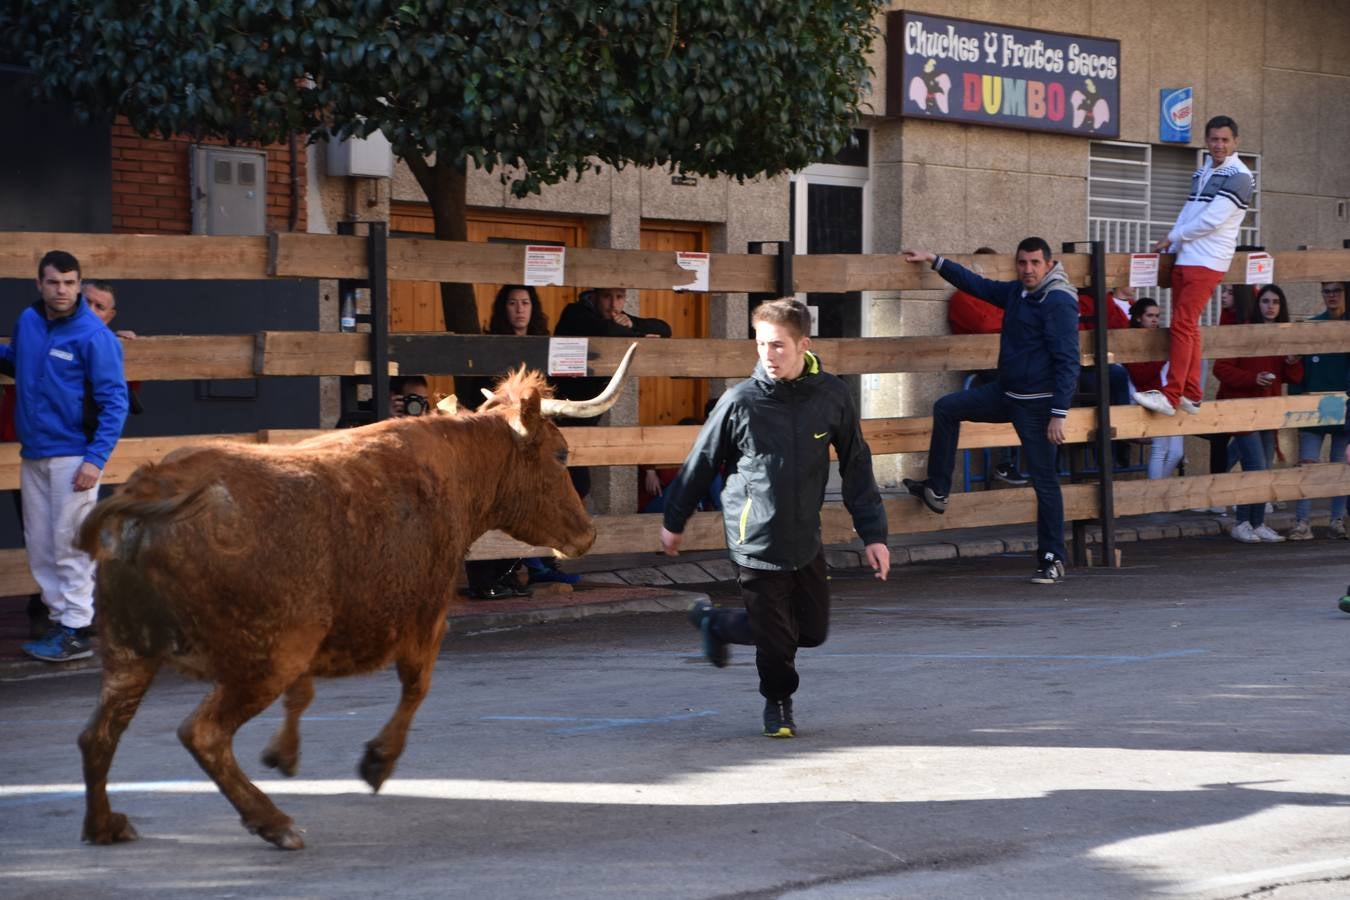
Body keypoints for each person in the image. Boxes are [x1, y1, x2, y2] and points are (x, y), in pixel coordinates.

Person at [660, 298, 889, 739]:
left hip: (804, 534)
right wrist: (675, 520)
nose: (769, 355)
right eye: (762, 344)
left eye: (779, 346)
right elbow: (701, 461)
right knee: (778, 643)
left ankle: (716, 623)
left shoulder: (832, 396)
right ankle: (778, 704)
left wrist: (874, 535)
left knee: (812, 631)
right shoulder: (740, 400)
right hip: (754, 536)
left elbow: (857, 465)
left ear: (804, 344)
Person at [900, 237, 1080, 585]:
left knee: (1044, 482)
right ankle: (937, 490)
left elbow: (1068, 359)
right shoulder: (1017, 293)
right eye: (1022, 263)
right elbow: (977, 285)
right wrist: (936, 259)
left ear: (1049, 264)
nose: (1027, 270)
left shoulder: (1057, 301)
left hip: (1039, 406)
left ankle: (1052, 559)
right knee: (947, 408)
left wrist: (1060, 412)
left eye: (1034, 263)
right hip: (1005, 394)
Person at [6, 251, 129, 662]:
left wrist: (95, 460)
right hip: (34, 452)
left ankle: (76, 628)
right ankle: (61, 622)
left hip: (74, 456)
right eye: (54, 282)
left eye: (70, 282)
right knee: (40, 545)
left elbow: (115, 402)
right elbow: (20, 362)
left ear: (79, 284)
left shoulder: (95, 337)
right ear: (39, 284)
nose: (62, 290)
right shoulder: (28, 322)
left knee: (70, 543)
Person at [1135, 115, 1254, 417]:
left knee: (1183, 325)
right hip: (1187, 256)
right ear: (1206, 140)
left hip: (1208, 259)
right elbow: (1190, 211)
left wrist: (1173, 238)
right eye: (1214, 139)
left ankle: (1171, 396)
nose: (1219, 145)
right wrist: (1173, 243)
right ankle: (1192, 393)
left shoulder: (1240, 175)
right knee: (1188, 327)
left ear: (1235, 142)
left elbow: (1213, 220)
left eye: (1225, 140)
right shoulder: (1203, 170)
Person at [553, 287, 671, 502]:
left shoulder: (618, 320)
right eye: (607, 297)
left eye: (619, 297)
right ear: (594, 297)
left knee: (577, 478)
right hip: (561, 407)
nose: (613, 304)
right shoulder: (575, 313)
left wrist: (634, 325)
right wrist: (639, 335)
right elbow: (605, 330)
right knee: (570, 477)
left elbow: (664, 328)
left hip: (587, 410)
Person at [1213, 284, 1301, 544]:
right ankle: (1242, 522)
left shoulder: (1283, 335)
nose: (1271, 306)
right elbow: (1221, 369)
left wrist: (1292, 362)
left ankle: (1258, 522)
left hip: (1269, 411)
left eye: (1276, 301)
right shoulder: (1243, 332)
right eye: (1265, 301)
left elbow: (1294, 377)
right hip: (1243, 409)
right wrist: (1253, 378)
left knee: (1265, 469)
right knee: (1256, 467)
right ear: (1257, 304)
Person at [947, 247, 1025, 486]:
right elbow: (984, 325)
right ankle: (1005, 462)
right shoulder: (962, 297)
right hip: (980, 362)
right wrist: (1010, 320)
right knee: (1013, 392)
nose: (989, 274)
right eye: (985, 267)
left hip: (1004, 359)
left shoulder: (997, 296)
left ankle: (1048, 456)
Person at [1286, 281, 1348, 540]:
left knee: (1341, 468)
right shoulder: (1311, 326)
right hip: (1312, 408)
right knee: (1307, 466)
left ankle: (1338, 520)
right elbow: (1297, 369)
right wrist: (1294, 403)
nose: (1331, 295)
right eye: (1326, 290)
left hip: (1344, 407)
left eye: (1336, 290)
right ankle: (1302, 522)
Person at [1125, 299, 1184, 481]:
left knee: (1176, 452)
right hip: (1146, 398)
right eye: (1149, 316)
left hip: (1167, 397)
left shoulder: (1159, 338)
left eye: (1157, 316)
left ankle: (1155, 492)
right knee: (1160, 450)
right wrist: (1161, 359)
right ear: (1137, 318)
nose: (1155, 320)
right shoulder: (1130, 341)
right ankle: (1155, 497)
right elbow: (1139, 376)